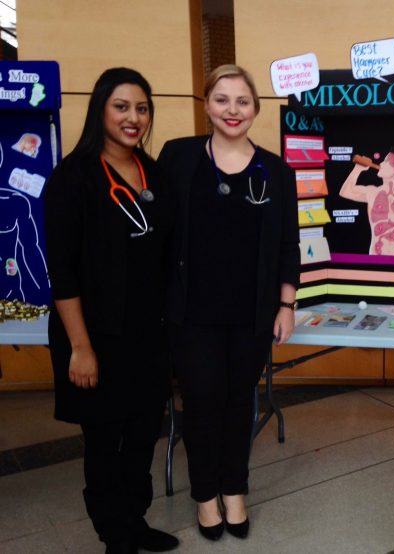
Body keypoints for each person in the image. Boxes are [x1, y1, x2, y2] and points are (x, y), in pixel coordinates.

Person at [158, 64, 300, 542]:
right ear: (206, 105)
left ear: (256, 108)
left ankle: (235, 490)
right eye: (222, 99)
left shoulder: (276, 171)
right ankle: (205, 496)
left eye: (242, 101)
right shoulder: (177, 158)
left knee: (241, 404)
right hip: (191, 314)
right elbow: (158, 233)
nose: (232, 110)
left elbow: (287, 245)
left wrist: (286, 305)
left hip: (251, 314)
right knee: (201, 403)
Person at [44, 68, 177, 554]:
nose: (133, 118)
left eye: (141, 108)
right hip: (95, 336)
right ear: (100, 108)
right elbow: (63, 272)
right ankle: (113, 534)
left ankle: (134, 521)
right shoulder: (71, 179)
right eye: (122, 107)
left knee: (143, 434)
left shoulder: (154, 174)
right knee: (105, 441)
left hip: (147, 336)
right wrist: (80, 348)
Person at [340, 150, 394, 259]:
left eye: (387, 161)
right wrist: (358, 169)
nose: (381, 164)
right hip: (375, 259)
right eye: (383, 161)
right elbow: (344, 192)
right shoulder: (372, 192)